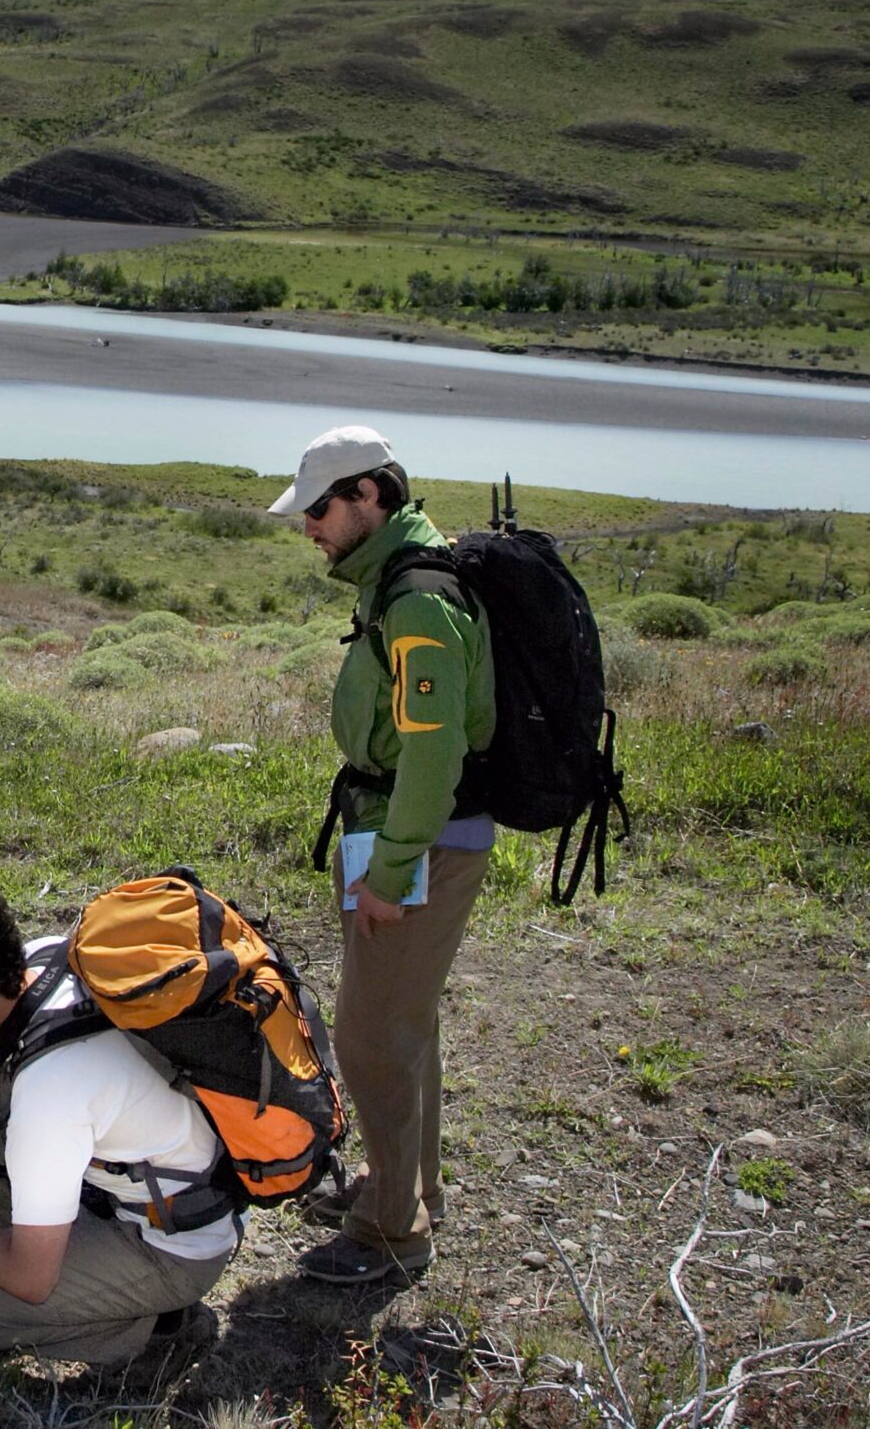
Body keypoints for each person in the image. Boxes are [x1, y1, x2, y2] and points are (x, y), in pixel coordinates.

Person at [267, 424, 494, 1285]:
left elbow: (434, 758)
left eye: (321, 509)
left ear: (371, 496)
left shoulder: (417, 600)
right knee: (401, 1026)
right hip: (397, 826)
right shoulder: (395, 581)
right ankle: (404, 1190)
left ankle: (395, 1228)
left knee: (369, 1036)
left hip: (420, 839)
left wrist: (391, 876)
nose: (310, 527)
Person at [0, 884, 238, 1369]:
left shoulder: (50, 1093)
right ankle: (10, 1243)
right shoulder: (45, 957)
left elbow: (31, 1279)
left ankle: (154, 1330)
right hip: (159, 1187)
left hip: (171, 1249)